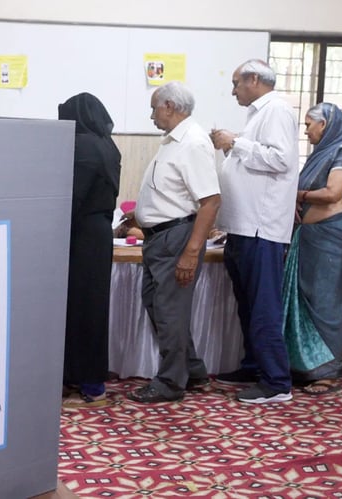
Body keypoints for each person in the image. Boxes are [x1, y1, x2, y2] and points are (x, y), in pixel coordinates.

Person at [210, 59, 299, 404]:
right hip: (243, 227)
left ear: (253, 79)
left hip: (262, 228)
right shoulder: (258, 115)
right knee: (248, 306)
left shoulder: (276, 110)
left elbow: (281, 159)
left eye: (236, 83)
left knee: (263, 308)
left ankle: (276, 382)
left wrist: (235, 142)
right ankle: (254, 366)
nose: (233, 90)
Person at [124, 82, 219, 403]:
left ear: (169, 106)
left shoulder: (193, 142)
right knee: (160, 306)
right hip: (160, 239)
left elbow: (210, 201)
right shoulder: (173, 142)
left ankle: (170, 382)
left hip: (177, 238)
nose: (151, 115)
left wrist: (191, 252)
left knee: (169, 312)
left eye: (154, 108)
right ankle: (191, 369)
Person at [282, 103, 342, 394]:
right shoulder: (320, 154)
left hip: (331, 239)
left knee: (325, 303)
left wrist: (298, 195)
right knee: (304, 300)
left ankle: (326, 371)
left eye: (308, 125)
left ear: (324, 124)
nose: (306, 131)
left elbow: (333, 193)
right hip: (308, 237)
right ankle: (303, 366)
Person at [59, 92, 122, 408]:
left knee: (82, 310)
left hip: (81, 234)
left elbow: (73, 197)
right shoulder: (107, 144)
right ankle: (82, 378)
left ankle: (92, 387)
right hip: (99, 232)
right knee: (90, 308)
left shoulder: (82, 145)